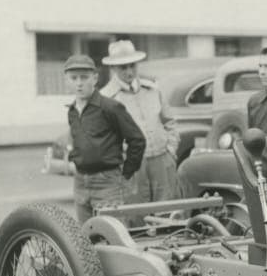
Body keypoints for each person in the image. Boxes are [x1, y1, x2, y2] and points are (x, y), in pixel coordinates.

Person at [63, 54, 145, 223]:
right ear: (67, 80)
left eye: (84, 77)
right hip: (80, 182)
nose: (79, 83)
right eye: (74, 78)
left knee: (112, 237)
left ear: (95, 78)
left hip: (107, 183)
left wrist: (127, 172)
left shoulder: (110, 107)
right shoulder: (72, 111)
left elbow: (137, 139)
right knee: (85, 238)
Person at [99, 39, 181, 205]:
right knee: (137, 214)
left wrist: (170, 150)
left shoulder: (152, 90)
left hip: (162, 160)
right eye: (123, 67)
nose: (129, 72)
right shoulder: (106, 98)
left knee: (167, 210)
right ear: (113, 68)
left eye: (132, 66)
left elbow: (170, 122)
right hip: (132, 167)